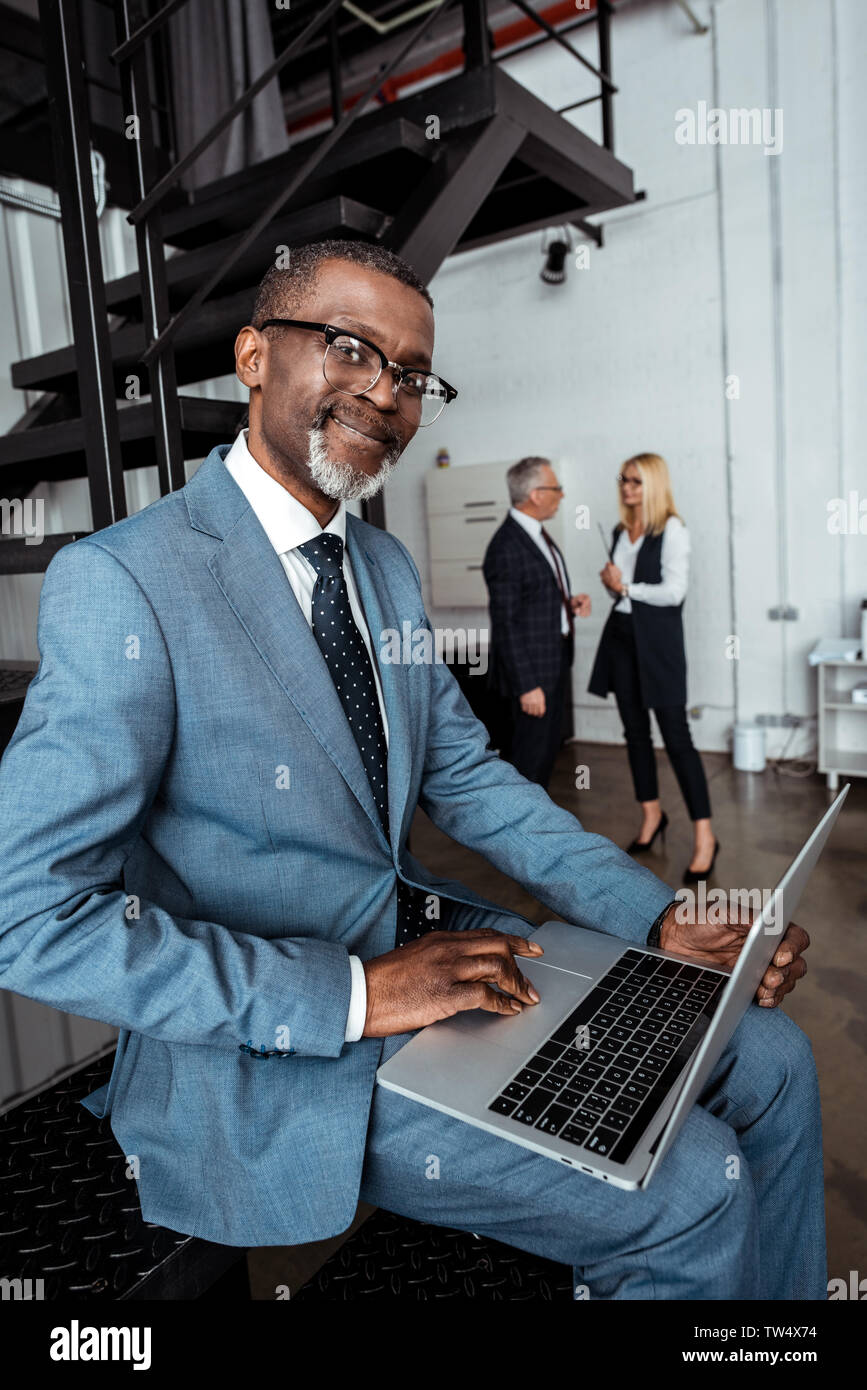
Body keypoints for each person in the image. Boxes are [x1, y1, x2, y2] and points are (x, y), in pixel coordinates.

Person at [0, 243, 822, 1298]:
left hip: (439, 962)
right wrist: (351, 993)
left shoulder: (379, 569)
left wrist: (653, 920)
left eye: (413, 372)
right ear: (254, 355)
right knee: (695, 1183)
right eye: (349, 347)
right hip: (275, 1048)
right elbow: (26, 911)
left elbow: (469, 779)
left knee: (779, 1058)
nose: (386, 391)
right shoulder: (125, 584)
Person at [588, 453, 718, 882]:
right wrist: (614, 587)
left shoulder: (673, 529)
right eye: (624, 479)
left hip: (658, 645)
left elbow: (673, 592)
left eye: (637, 482)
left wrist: (624, 585)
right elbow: (624, 598)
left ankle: (705, 836)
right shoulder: (621, 532)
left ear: (654, 486)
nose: (627, 488)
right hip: (623, 638)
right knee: (635, 734)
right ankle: (651, 816)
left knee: (677, 738)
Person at [483, 456, 592, 787]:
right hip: (532, 677)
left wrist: (567, 605)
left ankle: (535, 831)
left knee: (544, 759)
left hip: (553, 663)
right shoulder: (506, 546)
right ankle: (518, 835)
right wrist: (527, 685)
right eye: (556, 488)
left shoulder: (536, 536)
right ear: (535, 494)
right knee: (528, 766)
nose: (562, 495)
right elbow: (506, 624)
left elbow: (533, 599)